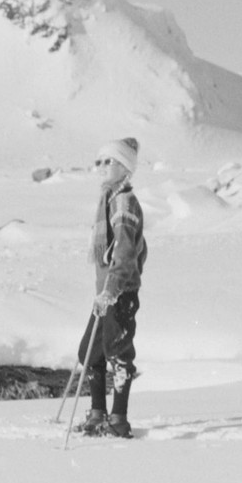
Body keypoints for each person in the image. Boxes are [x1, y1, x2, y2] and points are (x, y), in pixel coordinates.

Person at [78, 137, 146, 438]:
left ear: (125, 167)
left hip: (118, 292)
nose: (102, 167)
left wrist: (112, 290)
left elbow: (125, 252)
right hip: (105, 293)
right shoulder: (108, 199)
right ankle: (97, 413)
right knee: (90, 353)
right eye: (100, 162)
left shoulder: (124, 202)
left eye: (109, 161)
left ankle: (118, 420)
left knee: (118, 354)